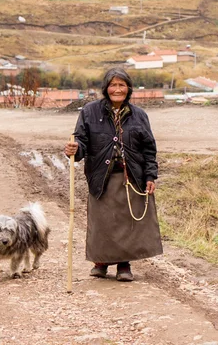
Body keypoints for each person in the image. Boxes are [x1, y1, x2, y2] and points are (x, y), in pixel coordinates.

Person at [64, 67, 162, 281]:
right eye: (113, 85)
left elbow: (149, 150)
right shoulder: (90, 112)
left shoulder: (139, 116)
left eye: (121, 85)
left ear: (128, 89)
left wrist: (150, 176)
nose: (117, 89)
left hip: (131, 177)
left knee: (127, 224)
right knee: (102, 223)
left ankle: (124, 265)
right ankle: (101, 262)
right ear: (106, 88)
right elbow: (81, 141)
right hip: (102, 177)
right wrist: (74, 149)